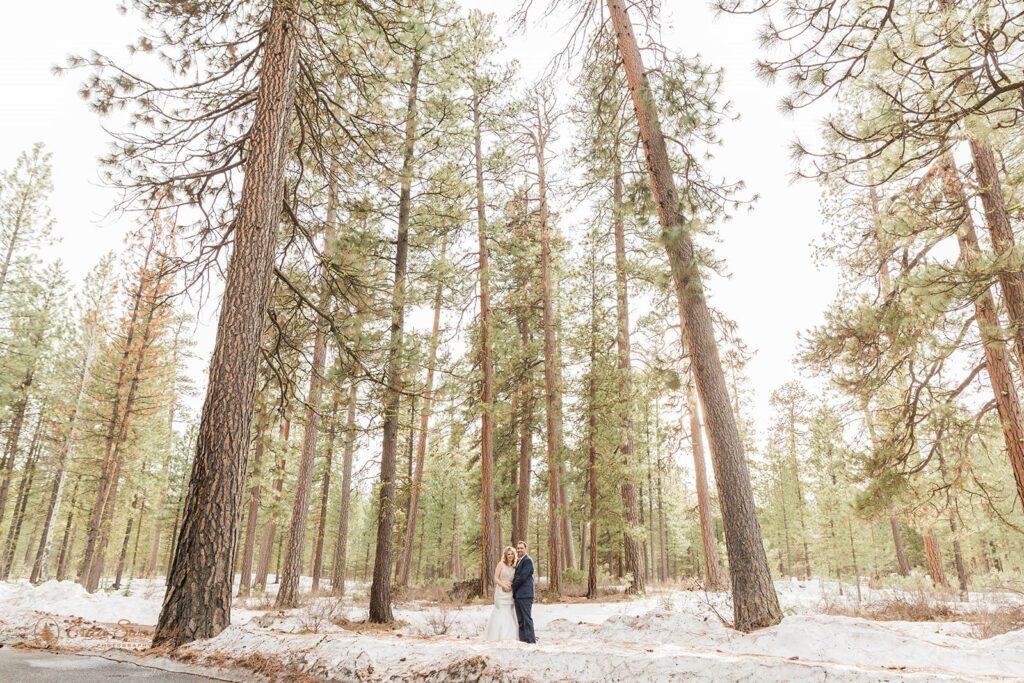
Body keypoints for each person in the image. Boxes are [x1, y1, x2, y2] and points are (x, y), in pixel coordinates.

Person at [482, 546, 520, 641]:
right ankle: (496, 636)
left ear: (514, 555)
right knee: (500, 610)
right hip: (501, 592)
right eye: (508, 554)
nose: (510, 556)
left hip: (510, 592)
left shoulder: (515, 566)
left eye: (512, 554)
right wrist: (503, 585)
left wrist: (511, 586)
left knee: (510, 611)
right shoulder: (501, 564)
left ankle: (510, 635)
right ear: (505, 555)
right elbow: (495, 578)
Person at [511, 540, 536, 644]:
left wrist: (512, 586)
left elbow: (522, 577)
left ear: (525, 549)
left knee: (527, 619)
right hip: (518, 595)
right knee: (520, 620)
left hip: (525, 595)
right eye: (518, 548)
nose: (519, 550)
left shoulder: (528, 561)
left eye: (521, 548)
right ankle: (523, 640)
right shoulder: (519, 561)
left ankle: (531, 640)